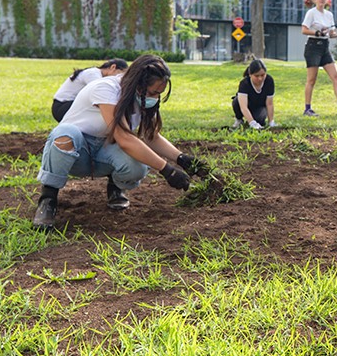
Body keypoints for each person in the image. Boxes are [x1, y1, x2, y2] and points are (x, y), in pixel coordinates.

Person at [32, 54, 207, 230]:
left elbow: (151, 136)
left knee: (137, 164)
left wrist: (181, 158)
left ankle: (115, 187)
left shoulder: (141, 99)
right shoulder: (106, 88)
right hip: (76, 152)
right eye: (153, 92)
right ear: (139, 84)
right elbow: (123, 138)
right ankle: (48, 200)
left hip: (104, 151)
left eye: (159, 94)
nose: (155, 97)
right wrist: (167, 170)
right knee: (65, 134)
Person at [52, 58, 128, 122]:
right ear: (113, 67)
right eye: (119, 74)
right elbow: (100, 93)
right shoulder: (93, 74)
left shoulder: (95, 73)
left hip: (66, 105)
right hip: (62, 106)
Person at [231, 58, 277, 130]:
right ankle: (239, 120)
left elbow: (269, 104)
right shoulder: (244, 83)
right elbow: (243, 107)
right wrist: (252, 122)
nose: (260, 79)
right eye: (256, 76)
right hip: (247, 105)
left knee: (260, 119)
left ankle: (256, 119)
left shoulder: (269, 81)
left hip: (260, 106)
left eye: (262, 75)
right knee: (236, 101)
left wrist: (271, 122)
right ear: (250, 74)